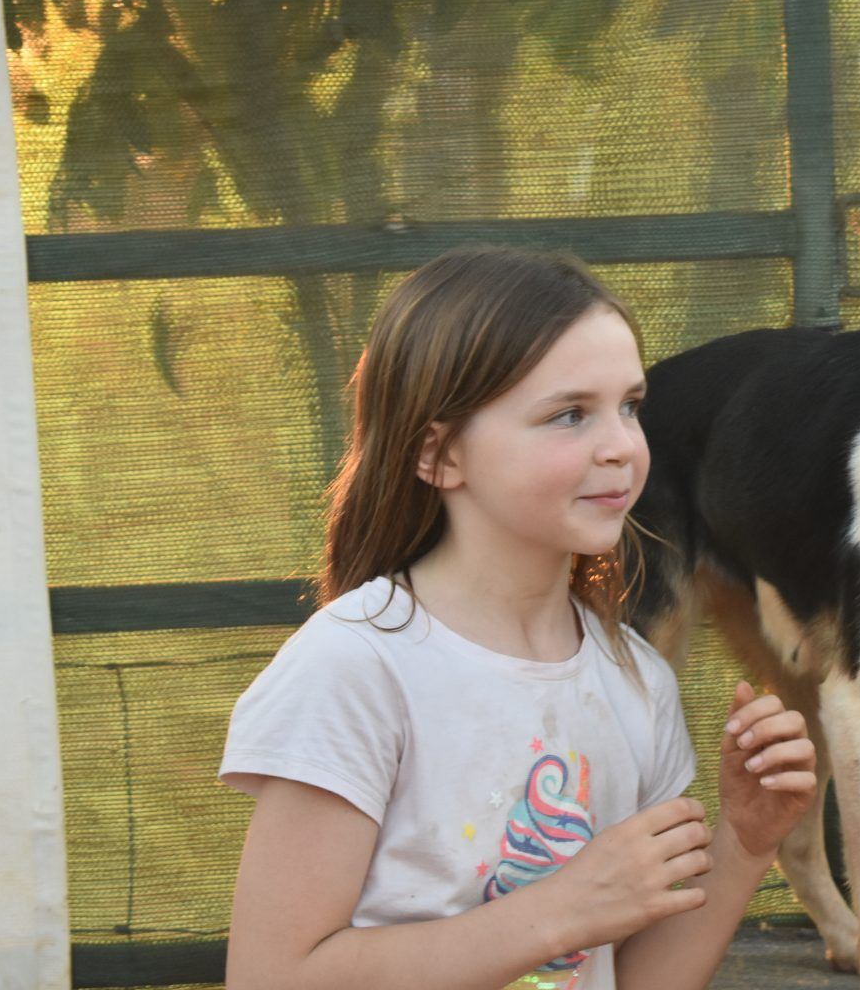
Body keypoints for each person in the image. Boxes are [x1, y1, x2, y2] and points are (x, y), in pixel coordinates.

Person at [220, 248, 817, 990]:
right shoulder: (356, 668)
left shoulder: (635, 680)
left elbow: (636, 979)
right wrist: (561, 910)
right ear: (438, 454)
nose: (622, 448)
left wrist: (744, 841)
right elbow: (272, 977)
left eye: (630, 406)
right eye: (570, 414)